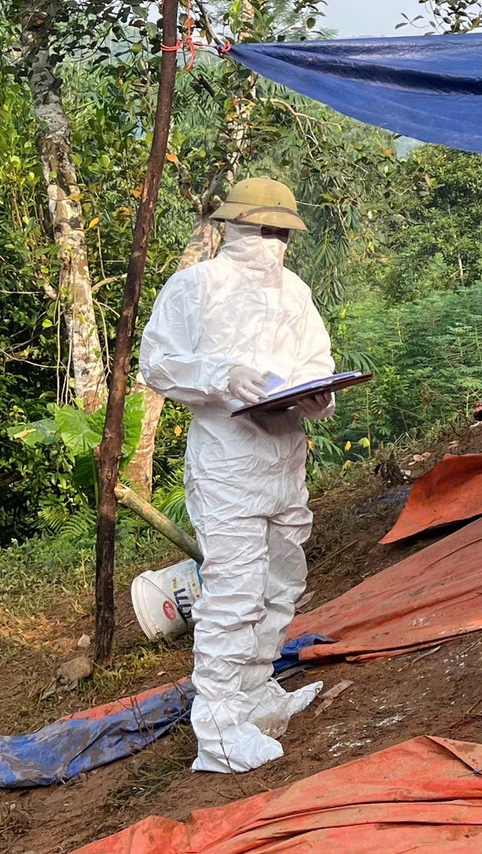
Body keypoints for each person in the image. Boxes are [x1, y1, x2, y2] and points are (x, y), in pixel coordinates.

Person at [139, 177, 340, 773]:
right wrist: (223, 374)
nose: (273, 243)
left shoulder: (295, 292)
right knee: (233, 591)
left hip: (285, 455)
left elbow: (315, 360)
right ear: (234, 228)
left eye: (282, 232)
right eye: (264, 230)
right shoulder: (194, 288)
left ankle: (257, 697)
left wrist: (317, 396)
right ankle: (221, 730)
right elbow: (158, 364)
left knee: (280, 582)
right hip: (227, 463)